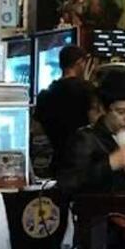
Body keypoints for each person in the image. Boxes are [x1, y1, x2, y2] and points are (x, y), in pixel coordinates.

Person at [57, 70, 125, 193]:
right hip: (102, 204)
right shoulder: (86, 138)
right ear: (103, 109)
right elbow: (68, 182)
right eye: (121, 112)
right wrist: (110, 163)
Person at [34, 46, 97, 176]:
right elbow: (97, 123)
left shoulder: (45, 95)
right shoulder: (87, 91)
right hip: (85, 162)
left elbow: (37, 129)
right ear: (80, 63)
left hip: (58, 162)